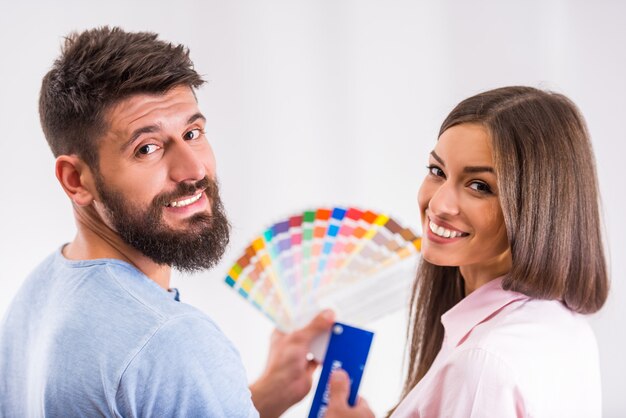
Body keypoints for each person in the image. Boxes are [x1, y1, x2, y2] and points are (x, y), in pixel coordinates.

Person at [0, 26, 335, 417]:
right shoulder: (170, 339)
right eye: (148, 148)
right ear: (77, 180)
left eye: (192, 132)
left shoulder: (41, 293)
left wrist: (256, 398)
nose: (193, 170)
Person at [326, 86, 609, 417]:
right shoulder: (565, 328)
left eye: (480, 186)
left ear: (538, 208)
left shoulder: (482, 362)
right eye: (438, 171)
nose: (438, 204)